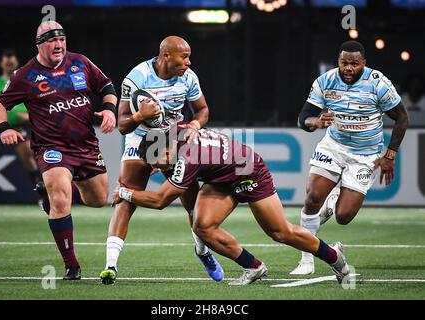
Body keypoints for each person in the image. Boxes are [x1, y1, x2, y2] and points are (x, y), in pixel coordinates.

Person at [111, 124, 351, 286]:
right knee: (202, 226)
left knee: (280, 232)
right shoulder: (175, 133)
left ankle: (334, 257)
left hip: (249, 172)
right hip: (222, 176)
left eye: (160, 162)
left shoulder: (186, 158)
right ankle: (253, 267)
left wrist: (124, 192)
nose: (159, 168)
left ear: (167, 148)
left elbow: (160, 201)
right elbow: (191, 125)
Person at [0, 21, 117, 280]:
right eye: (51, 41)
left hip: (86, 145)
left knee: (98, 199)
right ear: (39, 45)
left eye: (61, 40)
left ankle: (49, 195)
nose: (58, 45)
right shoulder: (25, 75)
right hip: (52, 148)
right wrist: (4, 127)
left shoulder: (80, 62)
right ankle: (72, 266)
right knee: (61, 200)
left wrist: (109, 110)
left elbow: (107, 87)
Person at [100, 36, 223, 285]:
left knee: (192, 201)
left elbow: (202, 109)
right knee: (125, 197)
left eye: (188, 57)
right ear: (166, 55)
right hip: (139, 140)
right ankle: (110, 265)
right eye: (184, 57)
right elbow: (122, 126)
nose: (188, 62)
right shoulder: (137, 77)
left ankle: (202, 250)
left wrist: (196, 125)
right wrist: (138, 115)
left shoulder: (189, 78)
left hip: (173, 141)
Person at [290, 40, 409, 275]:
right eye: (344, 63)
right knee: (313, 197)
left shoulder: (378, 84)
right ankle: (306, 260)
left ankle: (334, 201)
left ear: (363, 63)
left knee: (343, 217)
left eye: (354, 64)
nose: (348, 68)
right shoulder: (326, 81)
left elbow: (402, 118)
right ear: (338, 62)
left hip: (366, 155)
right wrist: (314, 122)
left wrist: (390, 155)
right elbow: (304, 116)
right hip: (334, 146)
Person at [0, 49, 41, 207]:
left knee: (29, 162)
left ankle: (41, 197)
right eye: (7, 62)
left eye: (12, 62)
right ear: (1, 64)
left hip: (18, 129)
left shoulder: (24, 81)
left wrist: (27, 117)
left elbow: (36, 106)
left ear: (17, 63)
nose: (10, 65)